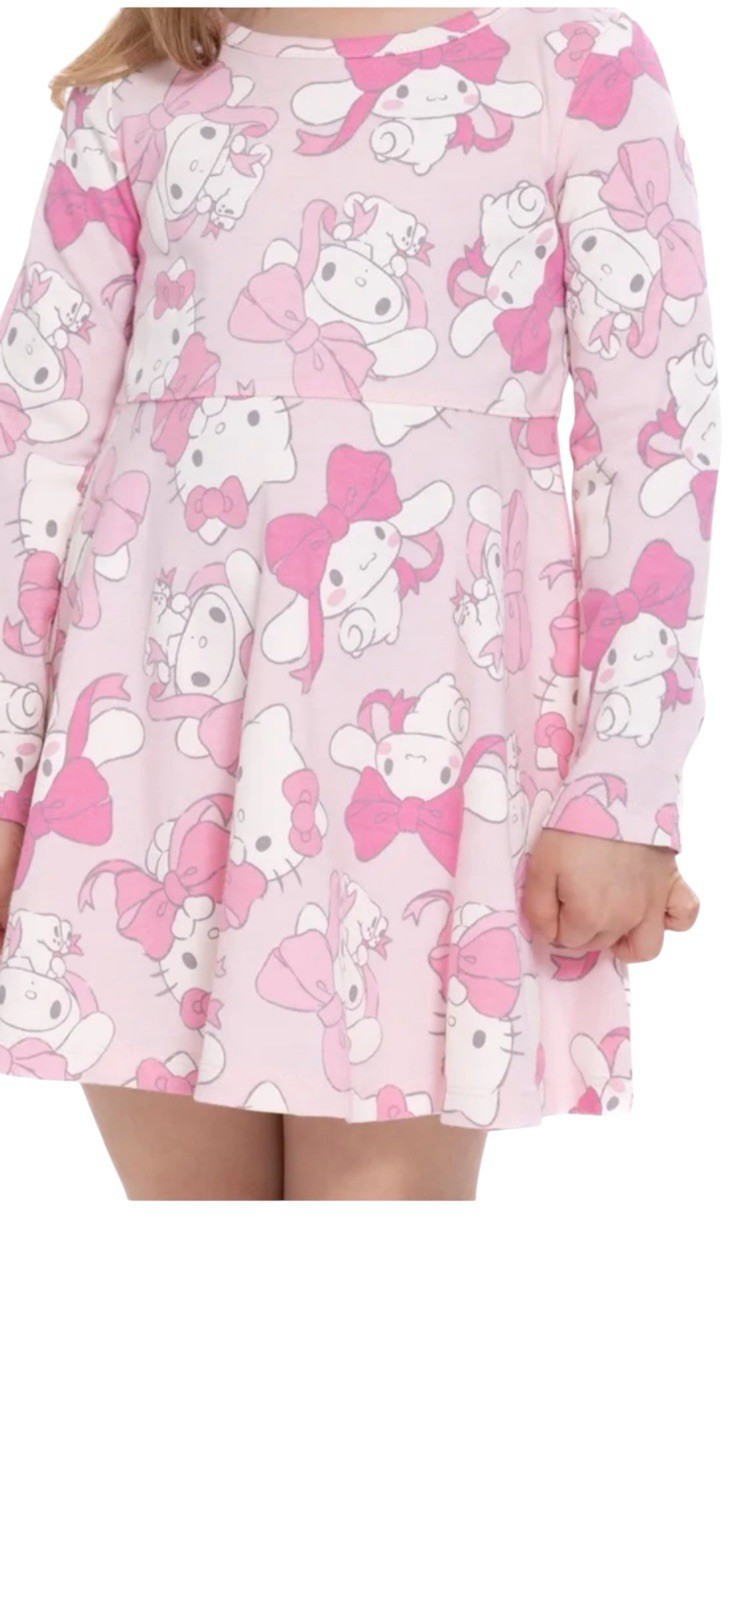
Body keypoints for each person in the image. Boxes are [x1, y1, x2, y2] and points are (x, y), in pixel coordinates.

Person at [0, 7, 718, 1200]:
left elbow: (654, 443)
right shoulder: (137, 95)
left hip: (428, 786)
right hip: (146, 778)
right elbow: (33, 459)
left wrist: (622, 787)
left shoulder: (572, 65)